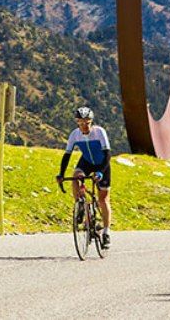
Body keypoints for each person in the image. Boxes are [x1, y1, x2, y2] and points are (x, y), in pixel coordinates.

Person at [57, 106, 112, 248]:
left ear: (91, 122)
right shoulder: (74, 135)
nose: (84, 126)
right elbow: (67, 155)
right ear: (77, 123)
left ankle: (106, 232)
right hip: (86, 162)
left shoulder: (99, 132)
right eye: (80, 123)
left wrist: (100, 172)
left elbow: (107, 155)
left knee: (103, 198)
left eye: (87, 123)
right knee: (76, 177)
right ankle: (80, 204)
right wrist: (61, 175)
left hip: (102, 163)